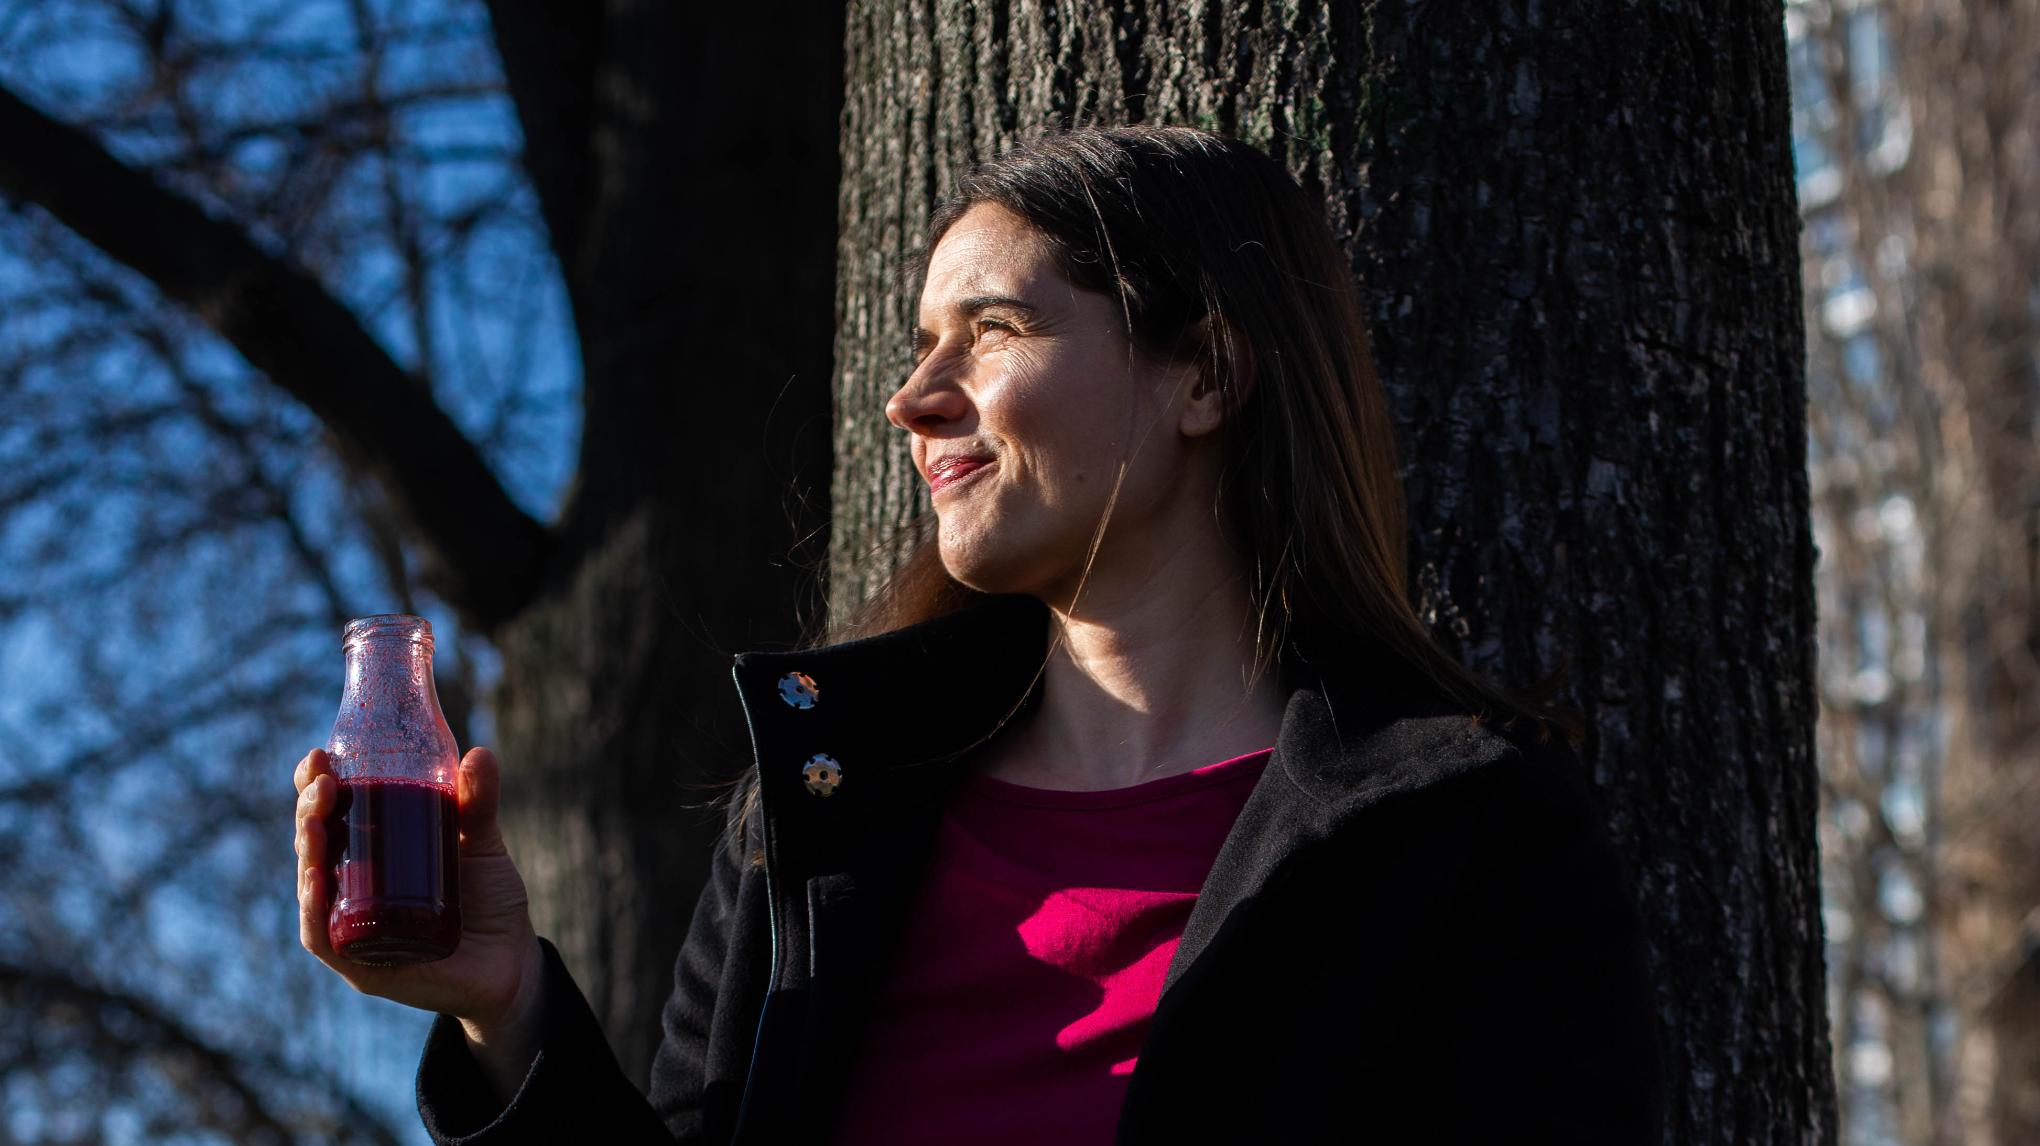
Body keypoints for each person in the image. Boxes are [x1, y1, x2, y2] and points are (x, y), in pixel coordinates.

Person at [292, 124, 1665, 1144]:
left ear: (1206, 372)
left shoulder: (1462, 839)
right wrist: (509, 1003)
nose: (912, 399)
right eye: (917, 341)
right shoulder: (817, 818)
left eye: (991, 330)